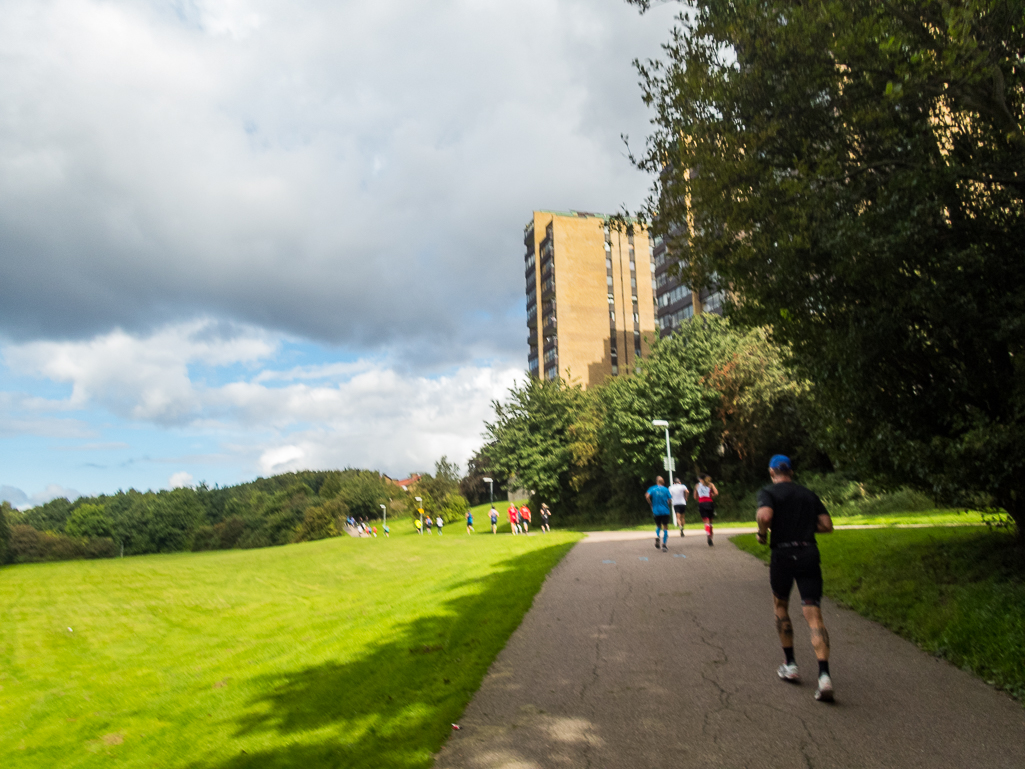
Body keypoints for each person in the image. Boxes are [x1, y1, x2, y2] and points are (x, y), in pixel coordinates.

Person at [756, 454, 836, 703]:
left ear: (772, 472)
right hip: (808, 552)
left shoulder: (768, 492)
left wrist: (762, 533)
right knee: (813, 613)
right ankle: (824, 676)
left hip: (782, 554)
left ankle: (790, 664)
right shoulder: (808, 494)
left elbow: (765, 517)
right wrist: (802, 526)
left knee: (780, 605)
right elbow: (826, 525)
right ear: (791, 471)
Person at [645, 476, 673, 552]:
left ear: (656, 481)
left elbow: (647, 496)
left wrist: (650, 503)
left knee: (658, 525)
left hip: (656, 510)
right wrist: (668, 503)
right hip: (665, 510)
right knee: (665, 527)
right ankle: (664, 544)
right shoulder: (665, 489)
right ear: (663, 482)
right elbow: (670, 499)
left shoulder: (652, 488)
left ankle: (657, 536)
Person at [696, 474, 719, 547]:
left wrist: (699, 500)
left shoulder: (697, 485)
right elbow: (716, 493)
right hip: (710, 503)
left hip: (702, 504)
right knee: (711, 522)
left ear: (700, 479)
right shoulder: (710, 484)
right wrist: (712, 496)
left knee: (706, 522)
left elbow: (694, 496)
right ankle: (711, 538)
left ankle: (708, 535)